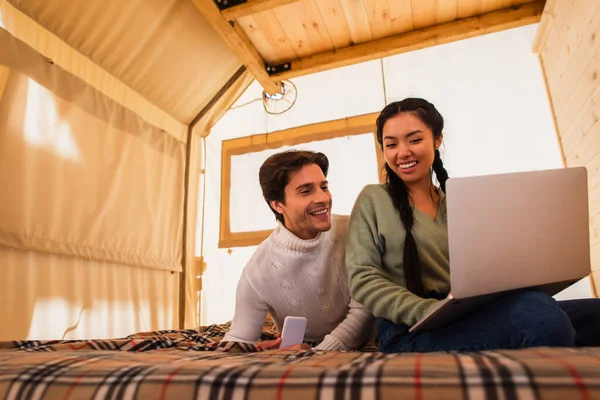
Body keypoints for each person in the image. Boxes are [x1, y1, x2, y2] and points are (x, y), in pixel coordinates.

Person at [345, 97, 600, 353]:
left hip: (466, 312)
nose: (402, 152)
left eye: (414, 140)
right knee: (540, 319)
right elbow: (363, 278)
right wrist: (426, 310)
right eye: (391, 144)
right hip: (408, 329)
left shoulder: (460, 201)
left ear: (437, 139)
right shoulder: (373, 198)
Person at [223, 150, 373, 351]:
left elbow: (364, 311)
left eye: (324, 187)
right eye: (306, 191)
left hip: (368, 337)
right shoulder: (257, 271)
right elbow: (238, 340)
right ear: (277, 205)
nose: (323, 198)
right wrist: (258, 352)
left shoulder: (354, 230)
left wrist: (317, 353)